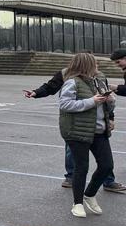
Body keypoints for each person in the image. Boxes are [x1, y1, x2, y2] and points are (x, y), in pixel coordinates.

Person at [25, 64, 125, 192]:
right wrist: (36, 93)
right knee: (72, 153)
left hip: (97, 123)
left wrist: (111, 118)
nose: (96, 66)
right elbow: (50, 87)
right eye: (93, 63)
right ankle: (71, 178)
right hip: (75, 124)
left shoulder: (100, 76)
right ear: (83, 62)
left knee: (105, 160)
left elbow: (106, 99)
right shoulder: (66, 74)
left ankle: (108, 181)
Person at [58, 52, 115, 218]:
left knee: (107, 166)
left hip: (99, 131)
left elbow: (107, 107)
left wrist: (110, 101)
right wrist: (92, 101)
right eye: (94, 63)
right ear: (86, 65)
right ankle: (77, 203)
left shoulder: (99, 80)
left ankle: (89, 195)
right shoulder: (72, 82)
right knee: (81, 167)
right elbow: (65, 104)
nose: (97, 66)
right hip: (77, 131)